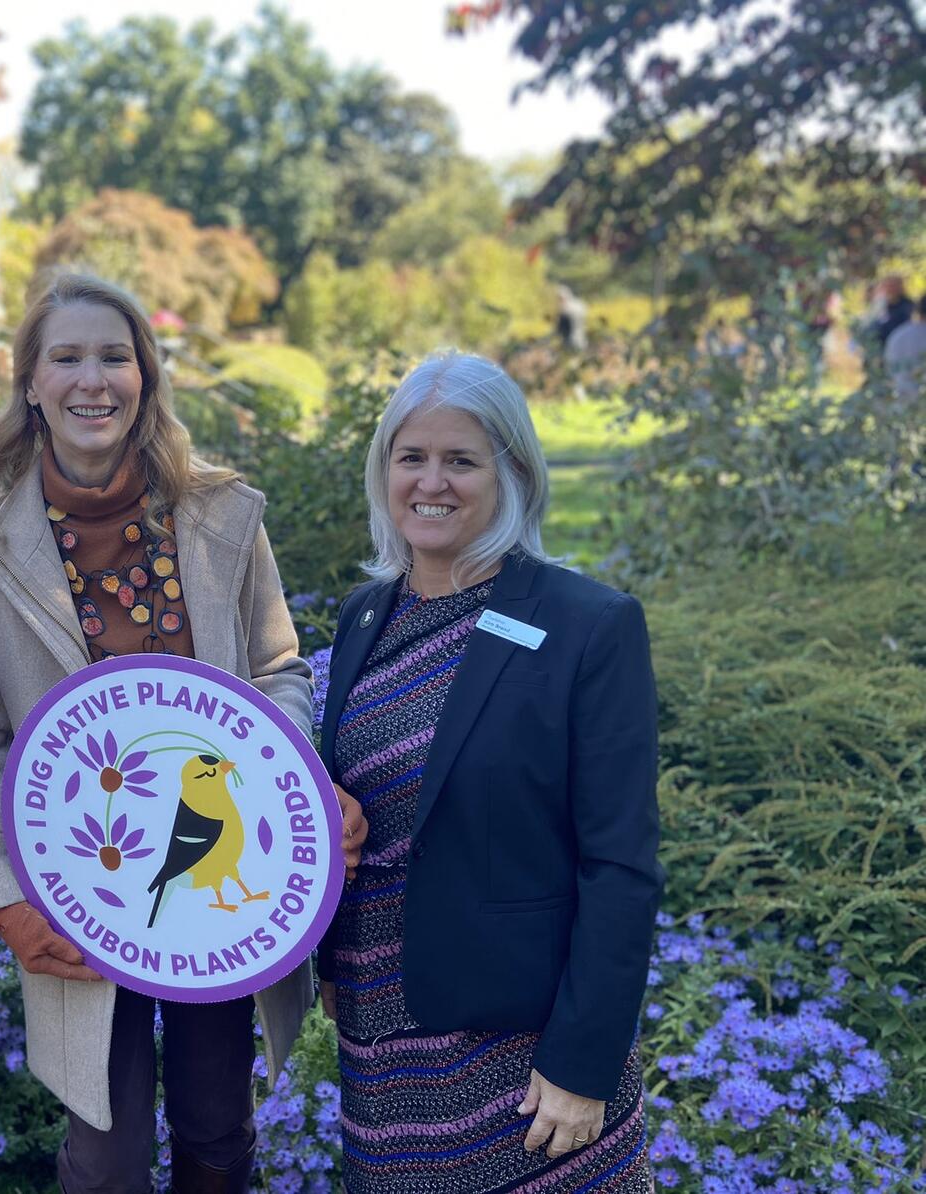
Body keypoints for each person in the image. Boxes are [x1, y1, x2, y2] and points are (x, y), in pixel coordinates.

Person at [0, 272, 366, 1193]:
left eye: (114, 356)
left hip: (224, 882)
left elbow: (277, 672)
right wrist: (1, 892)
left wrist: (291, 782)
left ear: (145, 377)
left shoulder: (221, 515)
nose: (92, 380)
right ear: (30, 383)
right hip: (76, 885)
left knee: (219, 1128)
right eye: (67, 358)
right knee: (105, 1154)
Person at [316, 351, 661, 1192]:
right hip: (383, 1055)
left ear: (512, 472)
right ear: (383, 470)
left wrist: (583, 1062)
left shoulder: (590, 625)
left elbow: (621, 866)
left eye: (461, 460)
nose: (431, 482)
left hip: (527, 1067)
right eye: (412, 457)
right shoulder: (364, 617)